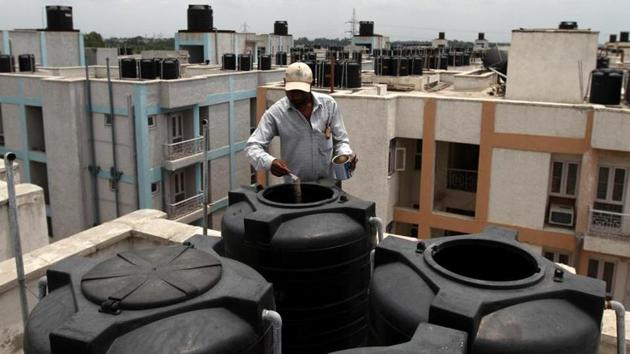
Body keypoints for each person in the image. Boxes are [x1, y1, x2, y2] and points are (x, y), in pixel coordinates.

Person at [245, 62, 357, 182]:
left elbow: (341, 140)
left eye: (301, 91)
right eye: (292, 91)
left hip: (328, 186)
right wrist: (269, 162)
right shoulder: (276, 113)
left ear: (311, 84)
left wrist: (345, 156)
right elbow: (252, 147)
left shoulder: (329, 105)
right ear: (284, 83)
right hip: (296, 189)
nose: (296, 96)